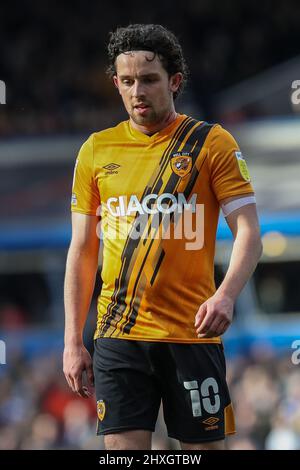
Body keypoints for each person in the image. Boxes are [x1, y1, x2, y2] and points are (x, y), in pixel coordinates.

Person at [63, 23, 262, 450]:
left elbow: (249, 232)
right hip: (117, 333)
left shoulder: (211, 144)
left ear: (174, 81)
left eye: (149, 80)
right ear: (116, 84)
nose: (138, 91)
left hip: (190, 333)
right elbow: (81, 251)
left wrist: (226, 294)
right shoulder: (96, 150)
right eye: (128, 81)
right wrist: (72, 341)